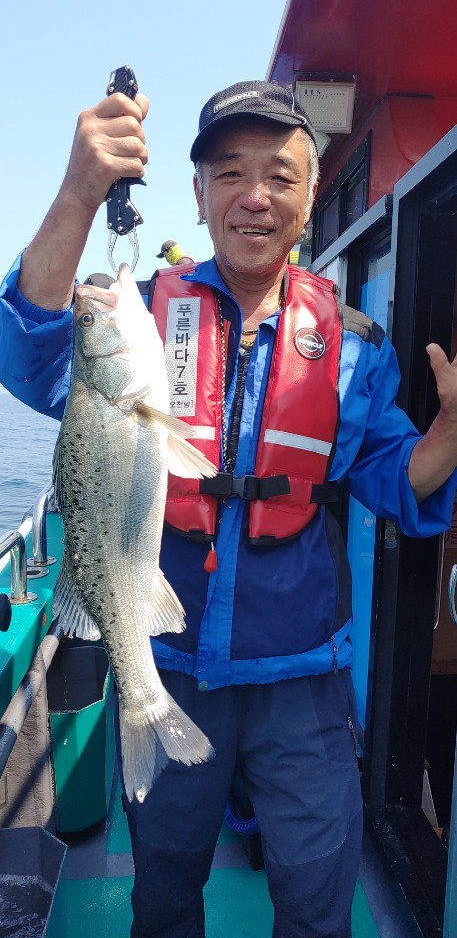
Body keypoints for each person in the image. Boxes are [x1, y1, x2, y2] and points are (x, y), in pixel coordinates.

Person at [1, 79, 457, 938]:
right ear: (200, 193)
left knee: (317, 898)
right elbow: (28, 353)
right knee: (164, 892)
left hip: (303, 682)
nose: (255, 196)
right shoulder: (143, 317)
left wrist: (451, 431)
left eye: (280, 177)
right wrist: (80, 191)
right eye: (230, 173)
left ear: (309, 198)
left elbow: (399, 479)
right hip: (169, 662)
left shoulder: (352, 346)